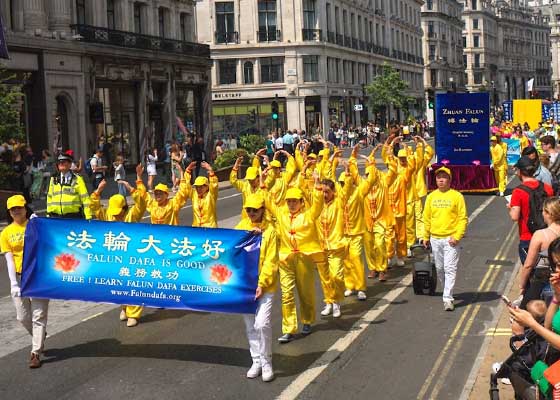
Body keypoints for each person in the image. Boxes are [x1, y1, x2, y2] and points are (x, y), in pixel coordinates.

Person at [265, 181, 323, 343]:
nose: (291, 204)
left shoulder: (308, 216)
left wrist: (317, 187)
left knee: (305, 292)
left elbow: (318, 206)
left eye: (294, 201)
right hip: (285, 260)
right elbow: (268, 203)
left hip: (304, 259)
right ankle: (289, 328)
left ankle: (307, 320)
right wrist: (263, 185)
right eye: (289, 201)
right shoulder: (281, 216)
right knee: (287, 294)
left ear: (301, 202)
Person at [90, 164, 147, 327]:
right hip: (115, 256)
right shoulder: (108, 215)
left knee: (133, 283)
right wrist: (98, 191)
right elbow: (93, 206)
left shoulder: (132, 216)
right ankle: (124, 307)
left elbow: (142, 204)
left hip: (132, 256)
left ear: (124, 208)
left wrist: (132, 187)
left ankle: (133, 314)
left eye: (118, 211)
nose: (116, 215)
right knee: (119, 283)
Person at [1, 195, 49, 368]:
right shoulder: (6, 233)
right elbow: (9, 260)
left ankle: (35, 352)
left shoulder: (35, 225)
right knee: (22, 317)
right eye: (12, 209)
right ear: (9, 212)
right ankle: (40, 334)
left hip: (38, 275)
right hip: (20, 277)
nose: (16, 211)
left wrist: (41, 223)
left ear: (25, 208)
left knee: (39, 315)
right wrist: (14, 283)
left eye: (19, 207)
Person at [235, 194, 278, 382]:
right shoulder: (241, 227)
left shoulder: (270, 231)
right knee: (250, 325)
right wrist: (246, 237)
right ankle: (256, 361)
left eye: (255, 210)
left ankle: (267, 361)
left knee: (262, 324)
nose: (251, 213)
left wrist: (262, 283)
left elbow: (271, 260)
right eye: (248, 210)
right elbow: (229, 248)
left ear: (263, 209)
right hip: (245, 286)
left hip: (265, 286)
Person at [422, 166, 468, 311]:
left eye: (444, 177)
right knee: (440, 268)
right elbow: (426, 218)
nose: (441, 180)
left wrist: (457, 236)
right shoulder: (431, 197)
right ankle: (446, 291)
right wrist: (425, 236)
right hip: (435, 238)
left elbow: (462, 218)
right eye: (438, 178)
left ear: (449, 179)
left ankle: (448, 298)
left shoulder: (457, 196)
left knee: (450, 268)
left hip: (450, 239)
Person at [509, 156, 554, 264]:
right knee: (546, 270)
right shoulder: (547, 188)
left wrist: (510, 208)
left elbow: (514, 217)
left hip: (527, 236)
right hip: (546, 234)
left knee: (530, 270)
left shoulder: (518, 191)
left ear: (520, 171)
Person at [518, 197, 560, 309]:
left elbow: (528, 265)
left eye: (543, 211)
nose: (542, 213)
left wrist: (522, 286)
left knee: (522, 314)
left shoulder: (540, 235)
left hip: (542, 282)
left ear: (549, 213)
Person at [46, 153, 92, 219]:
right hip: (56, 218)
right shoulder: (54, 179)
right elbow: (49, 198)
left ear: (70, 164)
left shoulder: (77, 179)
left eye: (64, 162)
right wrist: (48, 214)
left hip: (73, 218)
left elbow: (85, 199)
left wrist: (88, 216)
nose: (61, 164)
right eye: (59, 162)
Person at [184, 161, 219, 228]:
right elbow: (186, 185)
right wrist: (187, 171)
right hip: (196, 229)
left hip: (210, 229)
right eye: (197, 187)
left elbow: (214, 185)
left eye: (201, 187)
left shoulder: (211, 195)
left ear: (206, 186)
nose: (198, 189)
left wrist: (210, 171)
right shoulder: (194, 195)